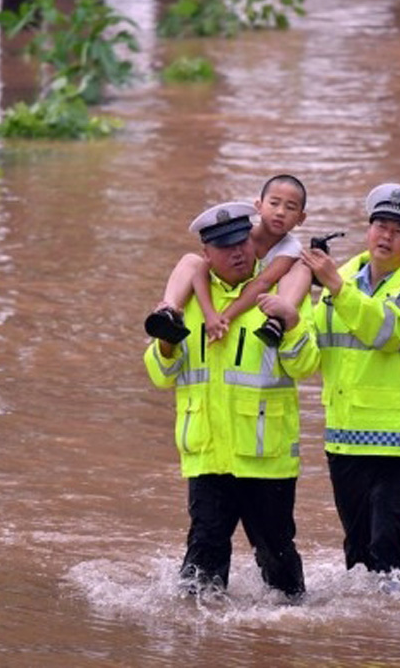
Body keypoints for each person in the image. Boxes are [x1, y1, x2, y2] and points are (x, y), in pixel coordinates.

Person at [259, 182, 400, 594]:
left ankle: (393, 634)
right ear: (367, 230)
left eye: (398, 230)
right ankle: (362, 639)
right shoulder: (336, 283)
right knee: (357, 555)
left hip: (398, 441)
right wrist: (287, 326)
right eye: (380, 225)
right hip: (344, 439)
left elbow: (385, 331)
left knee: (385, 545)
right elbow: (308, 362)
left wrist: (335, 287)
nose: (386, 236)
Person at [143, 200, 321, 603]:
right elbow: (158, 374)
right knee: (201, 569)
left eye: (241, 241)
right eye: (225, 246)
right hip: (207, 456)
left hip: (266, 456)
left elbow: (307, 365)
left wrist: (290, 325)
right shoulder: (184, 300)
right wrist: (168, 347)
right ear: (207, 254)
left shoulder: (284, 290)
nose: (237, 251)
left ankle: (283, 638)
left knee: (280, 566)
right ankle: (199, 645)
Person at [145, 174, 312, 348]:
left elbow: (263, 282)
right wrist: (209, 314)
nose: (280, 212)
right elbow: (199, 271)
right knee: (190, 260)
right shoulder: (242, 234)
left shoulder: (291, 248)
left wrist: (225, 317)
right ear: (259, 206)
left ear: (301, 218)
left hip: (258, 296)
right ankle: (168, 312)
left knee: (304, 265)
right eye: (274, 203)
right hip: (231, 286)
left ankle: (277, 320)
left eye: (290, 207)